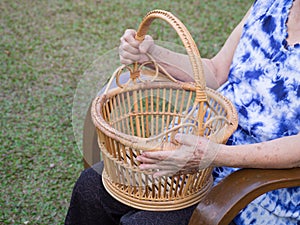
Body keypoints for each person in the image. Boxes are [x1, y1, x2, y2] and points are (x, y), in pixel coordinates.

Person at [65, 0, 300, 224]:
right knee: (91, 188)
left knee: (148, 222)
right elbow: (216, 72)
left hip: (256, 183)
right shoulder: (270, 5)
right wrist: (151, 55)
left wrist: (214, 154)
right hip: (194, 148)